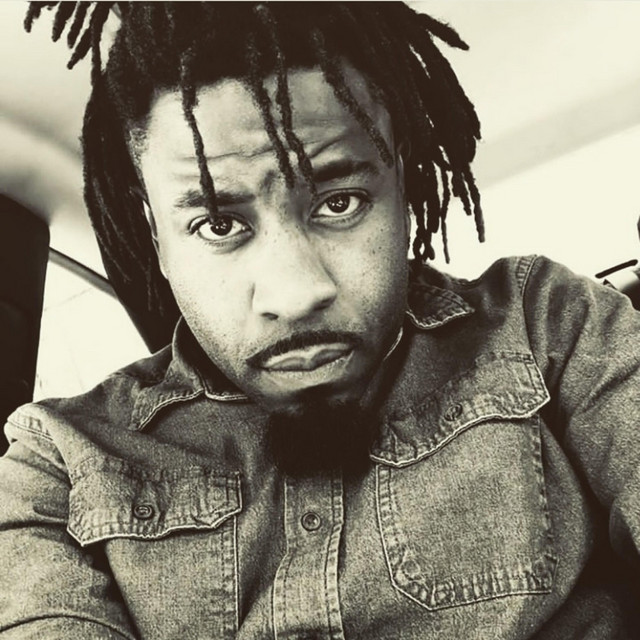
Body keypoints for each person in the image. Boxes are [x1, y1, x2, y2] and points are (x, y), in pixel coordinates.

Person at [1, 2, 639, 639]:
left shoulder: (549, 328)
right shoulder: (56, 462)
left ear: (402, 190)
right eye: (218, 224)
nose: (295, 293)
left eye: (340, 202)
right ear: (157, 238)